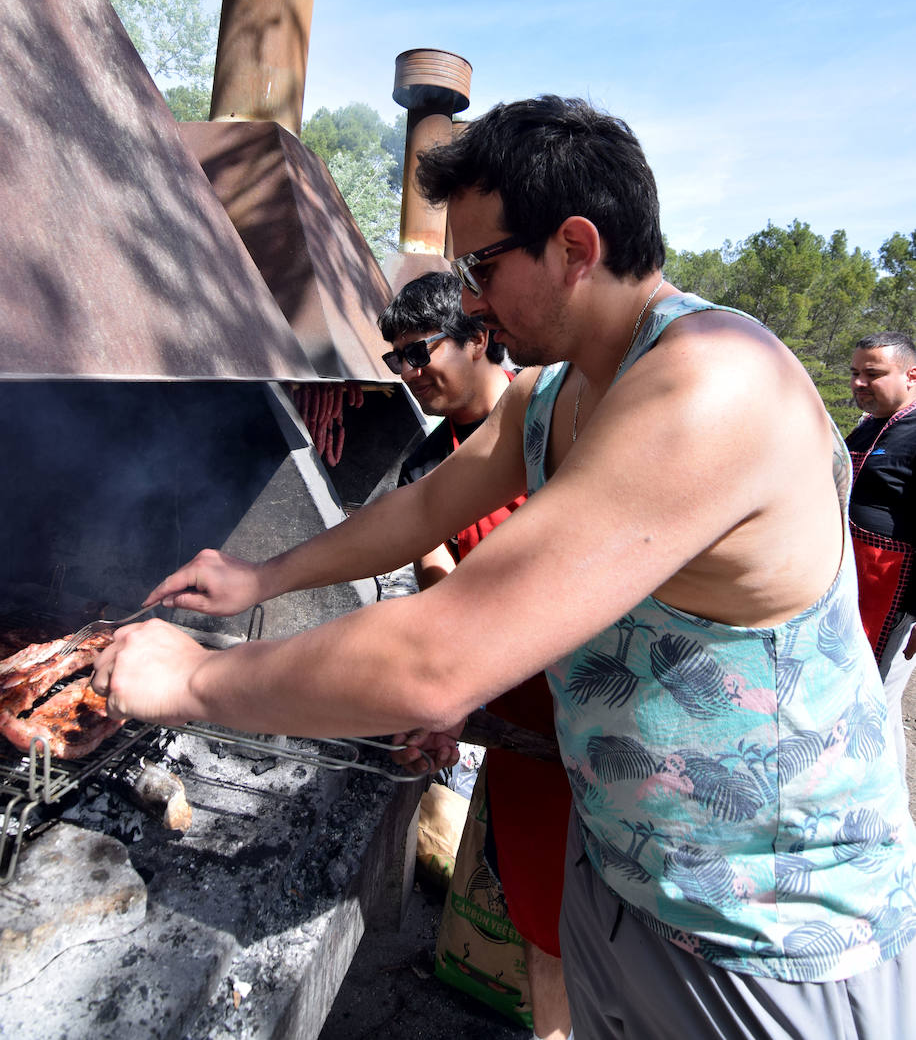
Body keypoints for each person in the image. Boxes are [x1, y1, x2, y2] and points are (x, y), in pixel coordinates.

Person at [93, 96, 916, 1039]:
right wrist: (258, 577)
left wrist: (194, 677)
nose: (472, 300)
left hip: (765, 929)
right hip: (623, 869)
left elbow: (435, 660)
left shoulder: (714, 384)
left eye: (483, 264)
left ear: (574, 246)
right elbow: (422, 508)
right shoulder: (557, 392)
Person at [379, 272, 572, 1040]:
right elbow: (435, 575)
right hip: (521, 719)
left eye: (419, 352)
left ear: (479, 336)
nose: (409, 373)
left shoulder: (562, 414)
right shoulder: (427, 468)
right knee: (542, 910)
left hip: (614, 705)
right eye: (395, 361)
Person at [847, 331, 916, 776]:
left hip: (895, 595)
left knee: (879, 703)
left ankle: (892, 823)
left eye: (872, 374)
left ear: (912, 375)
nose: (858, 383)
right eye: (855, 373)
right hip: (856, 587)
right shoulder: (868, 427)